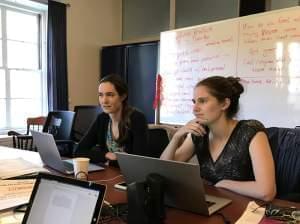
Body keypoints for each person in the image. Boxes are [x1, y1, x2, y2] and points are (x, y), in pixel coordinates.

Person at [160, 76, 276, 201]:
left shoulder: (251, 131)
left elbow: (266, 191)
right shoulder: (199, 132)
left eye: (202, 101)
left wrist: (224, 184)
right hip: (213, 204)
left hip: (247, 208)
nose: (194, 109)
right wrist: (176, 137)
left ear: (225, 104)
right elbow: (163, 170)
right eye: (194, 102)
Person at [74, 74, 148, 164]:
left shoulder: (137, 119)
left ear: (123, 96)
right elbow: (79, 151)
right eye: (101, 95)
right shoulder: (102, 119)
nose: (104, 101)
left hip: (132, 176)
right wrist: (105, 155)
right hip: (110, 174)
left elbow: (138, 161)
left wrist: (109, 161)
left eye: (110, 95)